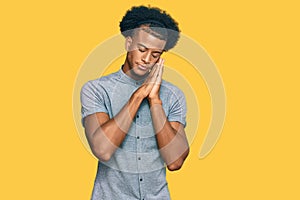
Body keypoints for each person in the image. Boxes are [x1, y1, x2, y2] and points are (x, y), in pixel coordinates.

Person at [80, 5, 189, 200]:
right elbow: (102, 150)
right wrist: (138, 96)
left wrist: (155, 100)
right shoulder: (96, 90)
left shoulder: (173, 95)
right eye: (142, 49)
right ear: (129, 43)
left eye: (155, 54)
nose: (147, 59)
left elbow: (175, 161)